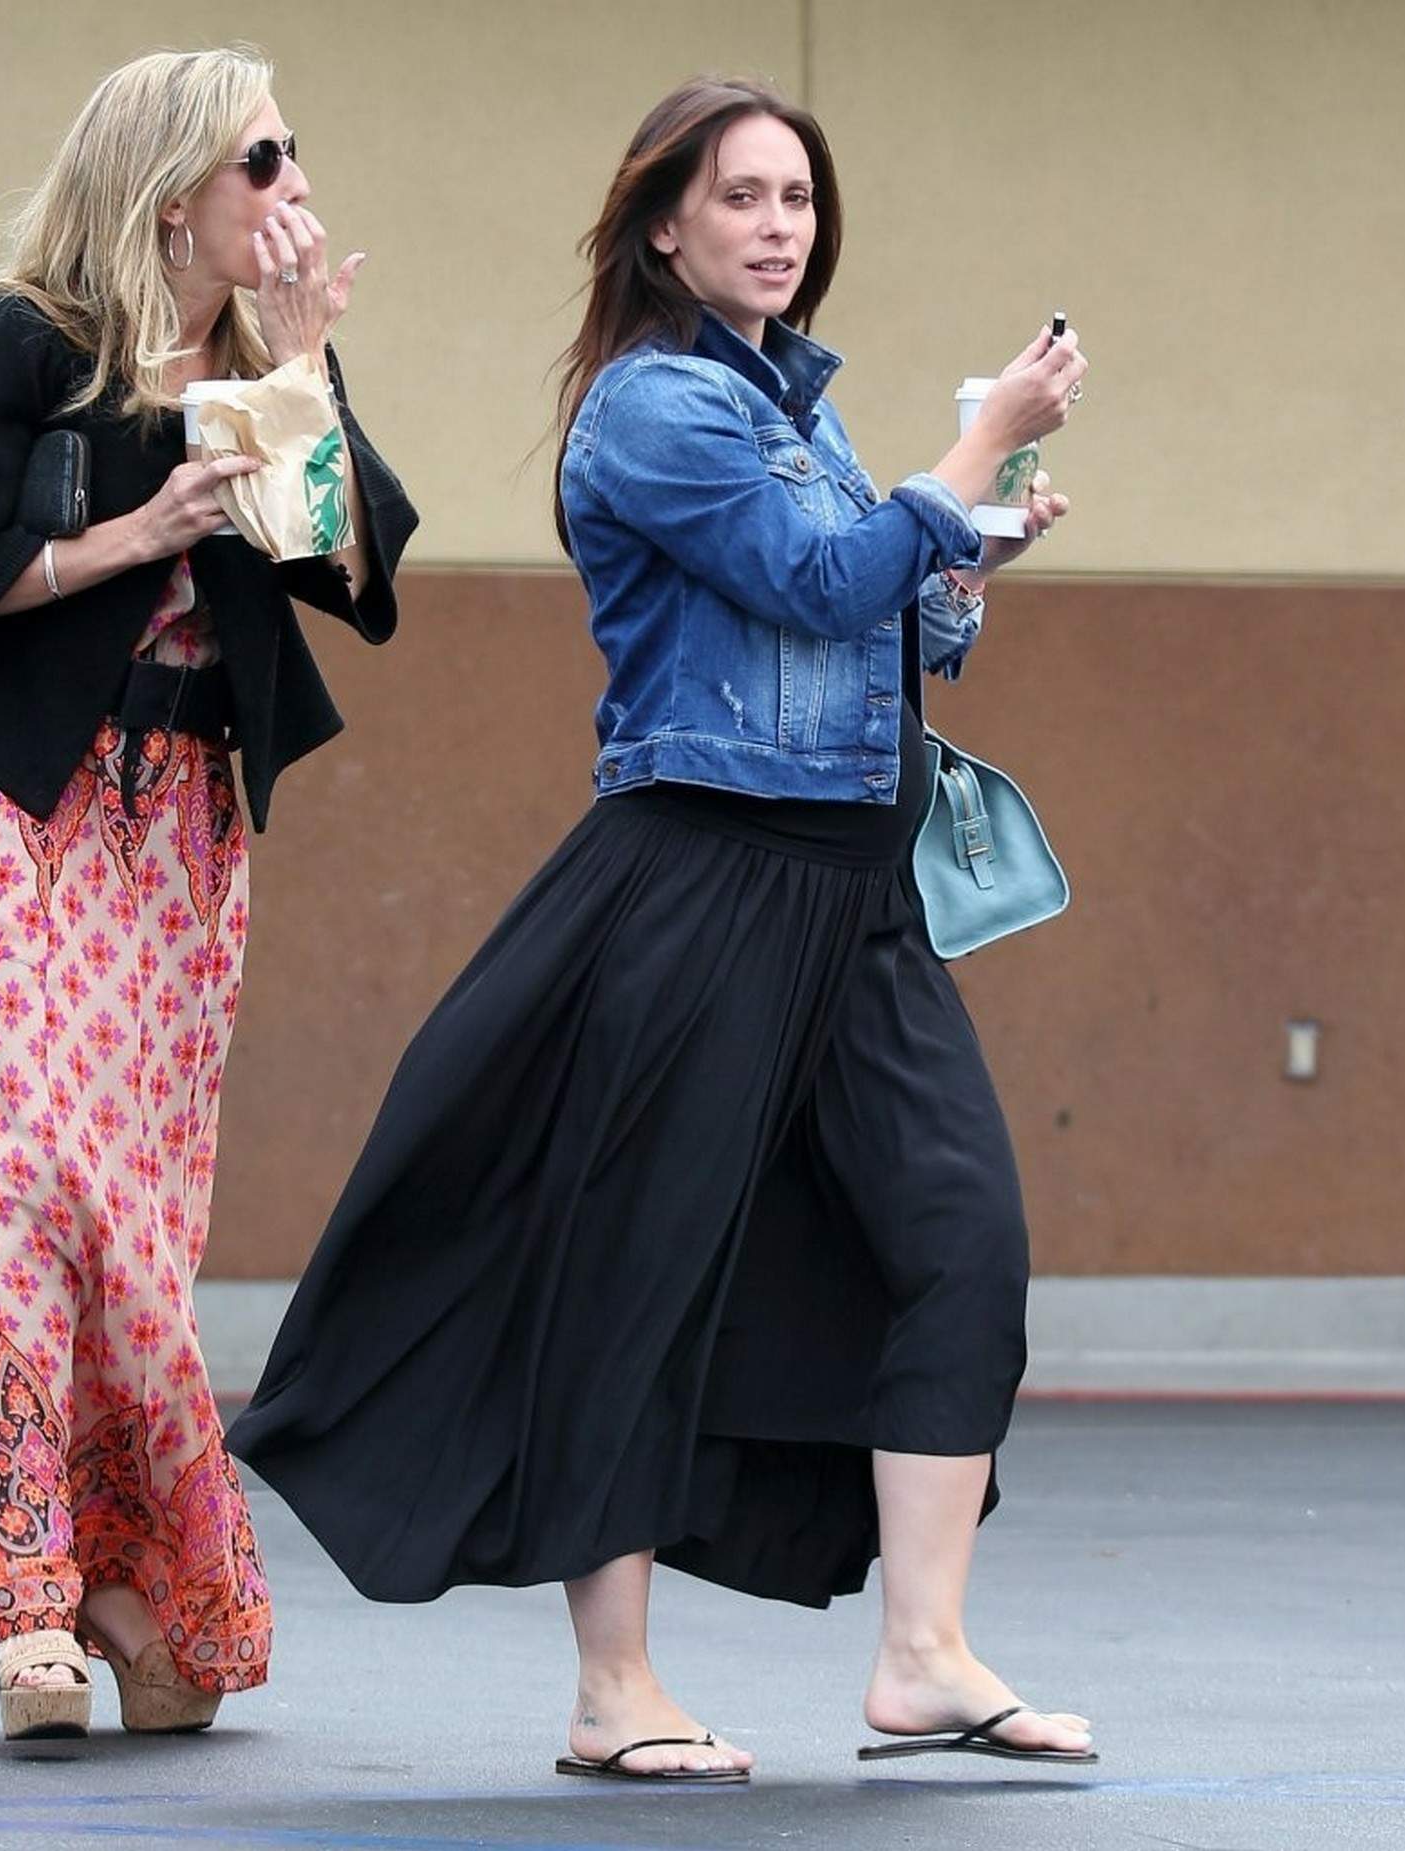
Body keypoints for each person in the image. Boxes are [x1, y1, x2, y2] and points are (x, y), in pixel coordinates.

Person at [229, 76, 1090, 1780]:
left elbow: (887, 614)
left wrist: (972, 550)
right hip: (702, 877)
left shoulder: (801, 410)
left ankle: (923, 1656)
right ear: (664, 225)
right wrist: (970, 454)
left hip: (856, 892)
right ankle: (612, 1688)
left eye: (799, 200)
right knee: (643, 1266)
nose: (783, 227)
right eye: (748, 198)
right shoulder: (653, 410)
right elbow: (813, 582)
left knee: (962, 1238)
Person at [0, 47, 416, 1742]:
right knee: (22, 1176)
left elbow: (356, 567)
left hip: (185, 834)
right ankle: (21, 1596)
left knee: (140, 1225)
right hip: (29, 801)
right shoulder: (31, 341)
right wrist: (135, 527)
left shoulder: (267, 364)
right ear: (177, 188)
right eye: (266, 157)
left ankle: (127, 1577)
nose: (293, 185)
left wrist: (309, 371)